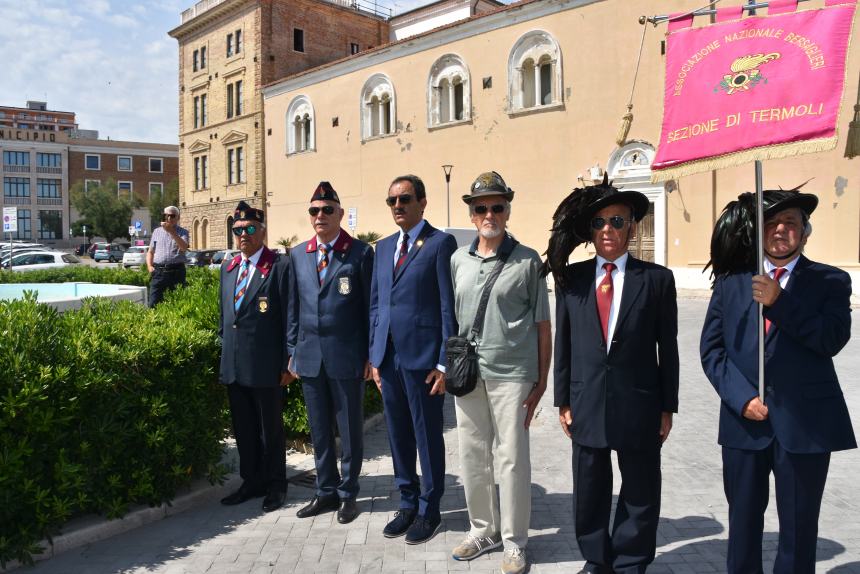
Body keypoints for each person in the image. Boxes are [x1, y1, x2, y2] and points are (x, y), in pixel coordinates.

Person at [700, 188, 856, 574]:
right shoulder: (732, 282)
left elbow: (831, 339)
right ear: (759, 232)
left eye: (791, 223)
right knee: (742, 526)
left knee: (799, 530)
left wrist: (780, 302)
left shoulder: (830, 280)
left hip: (805, 425)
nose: (781, 230)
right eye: (772, 223)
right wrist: (741, 399)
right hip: (744, 425)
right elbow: (712, 351)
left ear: (805, 233)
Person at [545, 176, 679, 574]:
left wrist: (667, 406)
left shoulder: (657, 280)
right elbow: (564, 344)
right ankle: (596, 559)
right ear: (591, 230)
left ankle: (632, 560)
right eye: (600, 222)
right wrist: (563, 400)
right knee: (589, 488)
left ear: (632, 228)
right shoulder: (571, 279)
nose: (608, 230)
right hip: (586, 401)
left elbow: (667, 349)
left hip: (640, 401)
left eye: (617, 222)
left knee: (640, 489)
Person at [449, 172, 551, 574]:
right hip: (469, 374)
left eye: (497, 206)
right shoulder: (458, 260)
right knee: (473, 457)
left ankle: (514, 542)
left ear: (508, 210)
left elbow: (543, 325)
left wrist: (541, 381)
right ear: (472, 215)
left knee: (511, 460)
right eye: (481, 207)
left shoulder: (528, 260)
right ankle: (482, 529)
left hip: (513, 375)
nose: (489, 213)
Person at [369, 174, 457, 544]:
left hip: (424, 362)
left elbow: (446, 307)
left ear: (422, 202)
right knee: (398, 435)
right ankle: (406, 502)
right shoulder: (384, 247)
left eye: (405, 199)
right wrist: (374, 356)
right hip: (388, 360)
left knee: (426, 436)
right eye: (392, 201)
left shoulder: (439, 243)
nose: (398, 206)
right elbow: (376, 304)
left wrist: (443, 362)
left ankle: (429, 508)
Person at [287, 182, 374, 525]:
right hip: (309, 356)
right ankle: (325, 491)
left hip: (347, 356)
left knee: (349, 429)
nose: (319, 216)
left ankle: (347, 494)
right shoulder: (297, 254)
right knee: (319, 429)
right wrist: (292, 350)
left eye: (326, 210)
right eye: (314, 211)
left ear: (339, 213)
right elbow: (293, 308)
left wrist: (370, 355)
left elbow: (371, 308)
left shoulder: (360, 253)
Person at [218, 201, 293, 513]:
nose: (243, 235)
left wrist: (288, 360)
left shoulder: (278, 266)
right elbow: (226, 317)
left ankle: (276, 484)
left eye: (249, 229)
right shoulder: (228, 268)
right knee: (244, 428)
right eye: (237, 230)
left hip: (265, 365)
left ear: (262, 231)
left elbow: (290, 315)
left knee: (270, 429)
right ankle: (251, 480)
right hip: (234, 364)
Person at [146, 205, 190, 307]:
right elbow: (150, 252)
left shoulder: (183, 232)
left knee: (177, 304)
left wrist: (171, 232)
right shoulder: (157, 232)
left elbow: (184, 247)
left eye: (172, 215)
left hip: (176, 272)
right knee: (153, 303)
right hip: (158, 272)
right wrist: (149, 266)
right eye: (166, 215)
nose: (169, 218)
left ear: (178, 218)